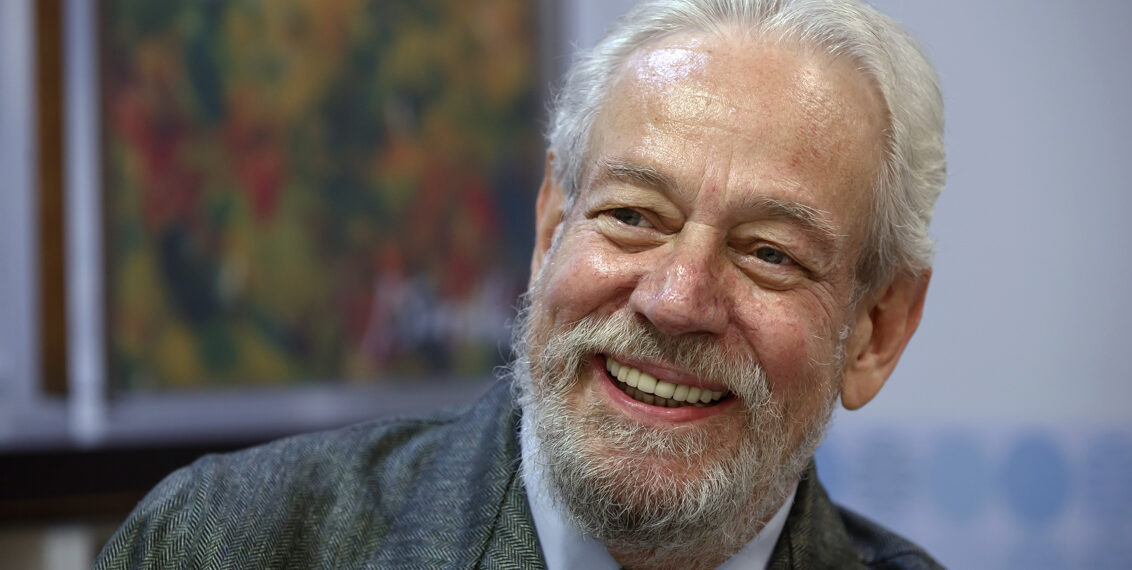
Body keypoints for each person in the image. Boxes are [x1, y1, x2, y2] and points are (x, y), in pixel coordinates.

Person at [96, 0, 945, 568]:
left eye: (769, 254)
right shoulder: (226, 544)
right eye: (633, 215)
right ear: (549, 230)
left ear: (877, 330)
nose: (676, 299)